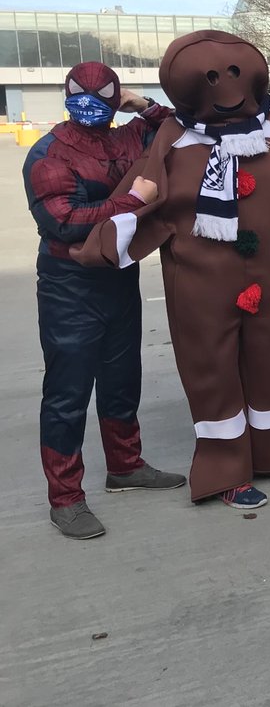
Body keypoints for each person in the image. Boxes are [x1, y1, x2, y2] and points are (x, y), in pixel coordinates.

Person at [75, 32, 270, 511]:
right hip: (200, 287)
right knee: (212, 371)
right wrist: (105, 240)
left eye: (234, 76)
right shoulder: (174, 145)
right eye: (211, 78)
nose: (226, 89)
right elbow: (142, 200)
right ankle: (224, 466)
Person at [23, 62, 185, 539]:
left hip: (116, 276)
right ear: (66, 96)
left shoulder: (125, 138)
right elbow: (66, 222)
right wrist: (133, 201)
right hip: (67, 285)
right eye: (80, 95)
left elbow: (179, 124)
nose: (89, 105)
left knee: (121, 377)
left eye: (103, 96)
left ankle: (125, 466)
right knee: (67, 393)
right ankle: (66, 498)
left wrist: (143, 103)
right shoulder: (48, 153)